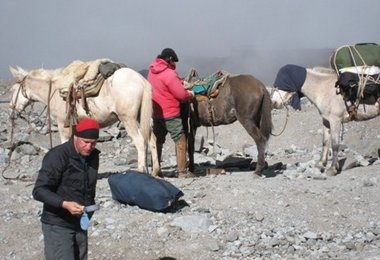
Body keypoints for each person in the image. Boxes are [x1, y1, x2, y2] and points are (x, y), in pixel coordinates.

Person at [32, 118, 101, 260]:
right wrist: (64, 204)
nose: (89, 147)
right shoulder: (57, 156)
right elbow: (39, 190)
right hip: (58, 223)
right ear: (75, 137)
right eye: (85, 142)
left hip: (80, 222)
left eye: (93, 143)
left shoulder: (93, 156)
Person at [147, 48, 195, 178]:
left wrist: (179, 82)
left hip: (156, 113)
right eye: (174, 61)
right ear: (170, 59)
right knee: (179, 138)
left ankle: (156, 169)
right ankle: (182, 172)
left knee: (158, 141)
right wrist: (190, 94)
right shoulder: (169, 73)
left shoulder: (151, 71)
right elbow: (180, 95)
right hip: (171, 113)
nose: (175, 65)